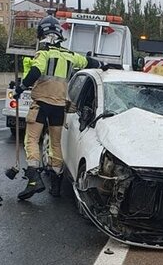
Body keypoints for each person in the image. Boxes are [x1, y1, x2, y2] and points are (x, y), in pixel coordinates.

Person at [15, 15, 100, 201]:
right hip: (59, 107)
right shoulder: (70, 55)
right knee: (55, 144)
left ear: (41, 34)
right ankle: (56, 185)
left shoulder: (43, 53)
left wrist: (21, 87)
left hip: (41, 105)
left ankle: (33, 180)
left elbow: (36, 71)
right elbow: (92, 63)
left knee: (31, 140)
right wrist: (103, 65)